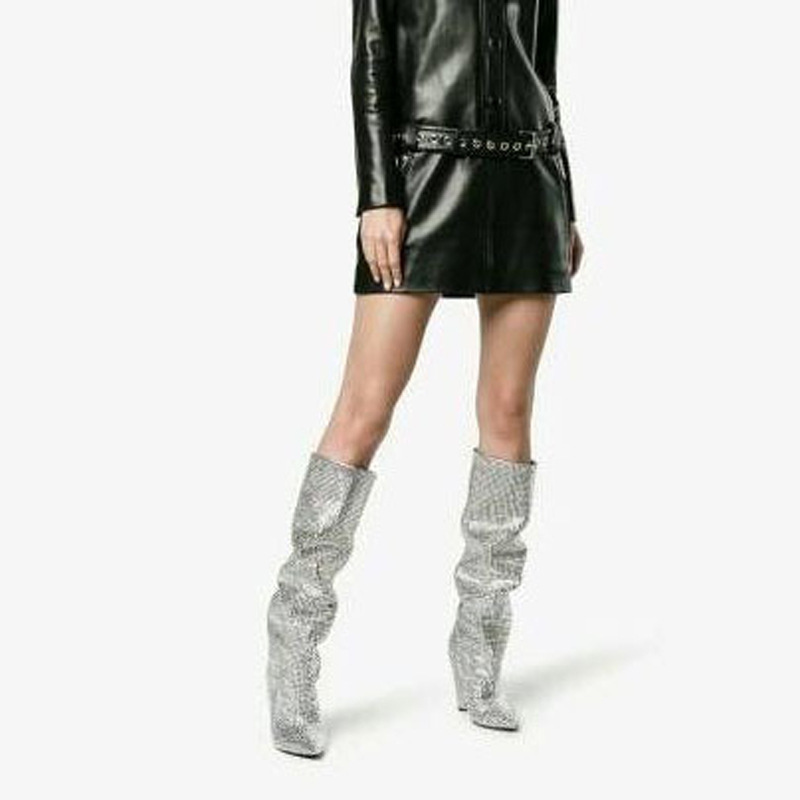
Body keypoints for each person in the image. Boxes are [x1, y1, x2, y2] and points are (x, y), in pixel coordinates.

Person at [266, 0, 585, 757]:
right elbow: (371, 63)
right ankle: (293, 645)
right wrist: (377, 195)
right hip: (424, 174)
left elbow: (545, 73)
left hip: (527, 177)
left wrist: (566, 201)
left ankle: (480, 652)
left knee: (508, 412)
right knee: (363, 412)